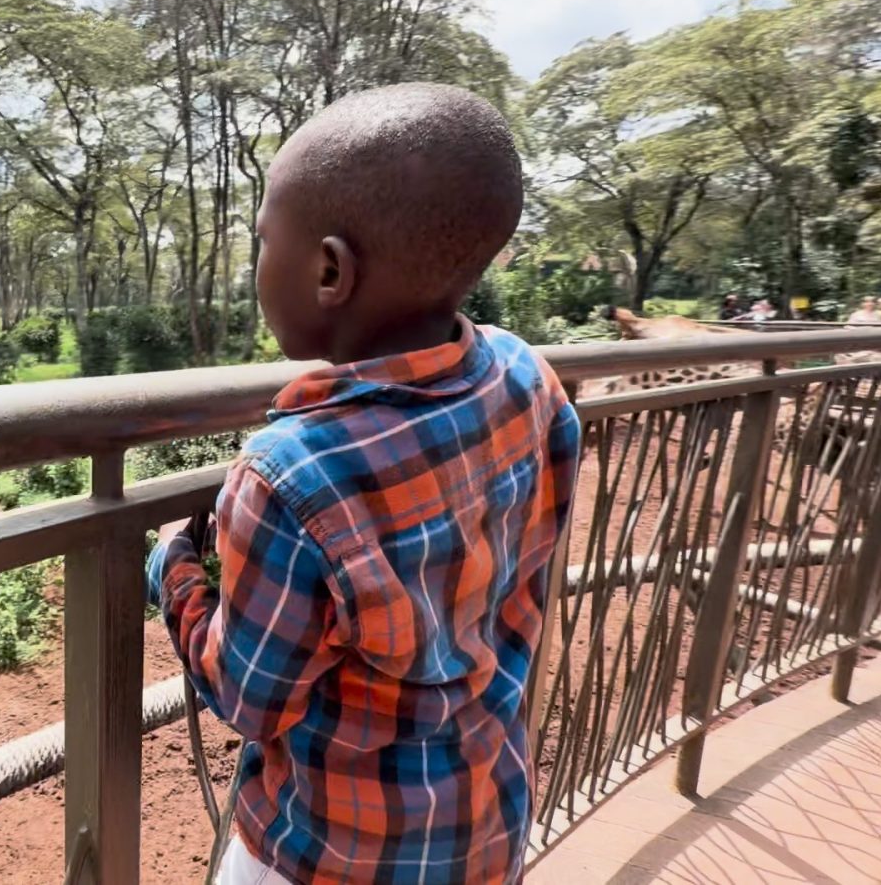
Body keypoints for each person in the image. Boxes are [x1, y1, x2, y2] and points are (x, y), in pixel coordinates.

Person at [144, 83, 581, 885]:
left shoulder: (290, 474)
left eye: (263, 242)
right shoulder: (526, 376)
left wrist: (173, 569)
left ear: (329, 271)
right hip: (483, 830)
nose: (257, 264)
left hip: (326, 856)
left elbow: (250, 697)